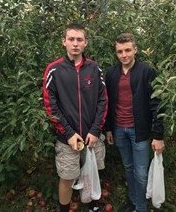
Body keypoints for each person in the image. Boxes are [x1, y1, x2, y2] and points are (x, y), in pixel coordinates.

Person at [43, 23, 108, 212]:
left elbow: (103, 101)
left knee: (92, 173)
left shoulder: (94, 69)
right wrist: (69, 133)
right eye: (71, 39)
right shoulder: (54, 70)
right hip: (67, 138)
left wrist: (96, 130)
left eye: (79, 39)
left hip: (92, 137)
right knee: (67, 177)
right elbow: (50, 104)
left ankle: (92, 206)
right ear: (64, 41)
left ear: (85, 42)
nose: (75, 43)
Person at [105, 33, 165, 212]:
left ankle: (141, 207)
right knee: (128, 168)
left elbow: (157, 103)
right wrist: (108, 129)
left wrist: (158, 135)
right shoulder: (112, 73)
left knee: (140, 173)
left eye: (128, 50)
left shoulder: (146, 71)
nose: (124, 55)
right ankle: (132, 201)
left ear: (135, 50)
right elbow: (108, 102)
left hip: (139, 130)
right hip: (118, 129)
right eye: (120, 51)